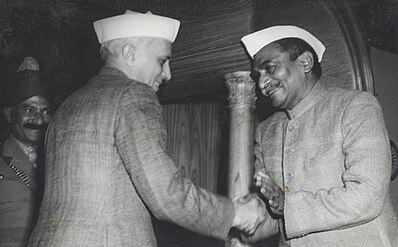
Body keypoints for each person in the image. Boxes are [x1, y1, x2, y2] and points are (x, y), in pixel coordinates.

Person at [28, 10, 265, 247]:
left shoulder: (67, 106)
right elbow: (165, 193)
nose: (167, 74)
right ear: (130, 54)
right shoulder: (132, 94)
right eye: (162, 61)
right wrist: (234, 213)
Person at [239, 25, 398, 246]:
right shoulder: (266, 131)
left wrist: (287, 205)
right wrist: (246, 221)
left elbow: (368, 196)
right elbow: (275, 213)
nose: (261, 84)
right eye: (257, 76)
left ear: (305, 62)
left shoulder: (355, 106)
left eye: (270, 69)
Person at [0, 57, 55, 247]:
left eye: (46, 111)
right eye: (29, 110)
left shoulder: (59, 158)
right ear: (9, 114)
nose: (39, 120)